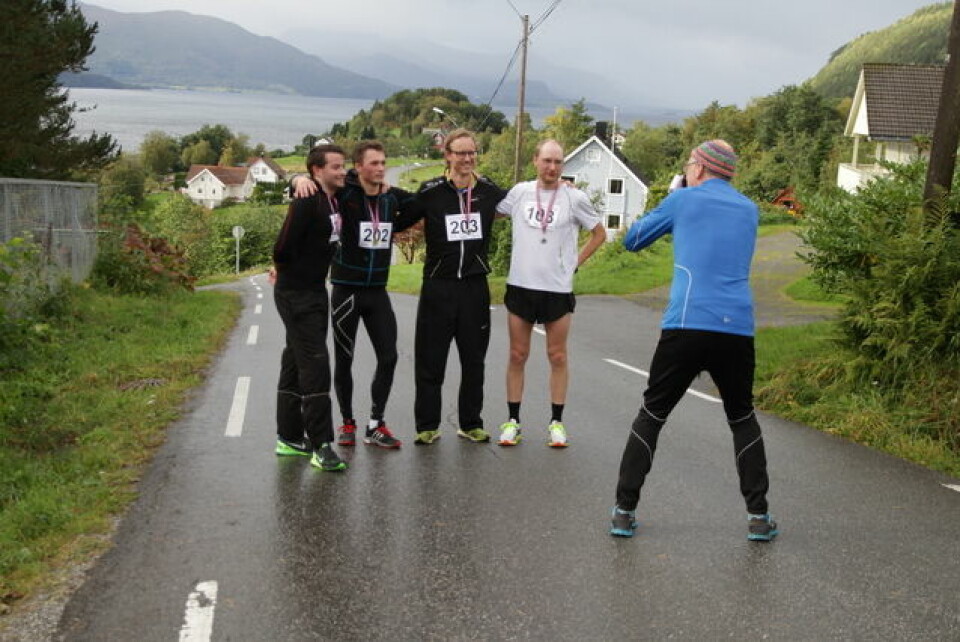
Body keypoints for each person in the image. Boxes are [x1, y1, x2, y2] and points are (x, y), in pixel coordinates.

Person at [609, 139, 778, 541]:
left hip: (686, 322)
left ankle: (623, 511)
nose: (686, 169)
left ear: (699, 169)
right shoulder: (751, 210)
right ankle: (758, 516)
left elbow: (633, 240)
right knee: (741, 417)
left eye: (688, 164)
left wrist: (672, 196)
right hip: (736, 325)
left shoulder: (683, 201)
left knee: (652, 414)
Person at [292, 141, 418, 450]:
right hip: (346, 291)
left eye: (383, 163)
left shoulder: (390, 198)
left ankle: (376, 424)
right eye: (373, 163)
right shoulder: (344, 193)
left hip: (377, 293)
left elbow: (419, 202)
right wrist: (297, 179)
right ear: (358, 167)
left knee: (388, 356)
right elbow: (304, 185)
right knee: (344, 360)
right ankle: (347, 422)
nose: (380, 168)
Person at [495, 139, 606, 447]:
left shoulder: (575, 198)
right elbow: (489, 213)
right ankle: (512, 421)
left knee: (557, 355)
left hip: (557, 289)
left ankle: (556, 422)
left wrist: (575, 263)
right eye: (547, 160)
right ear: (535, 160)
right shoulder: (519, 193)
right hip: (521, 285)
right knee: (518, 355)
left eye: (558, 162)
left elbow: (600, 234)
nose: (552, 167)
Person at [404, 129, 505, 445]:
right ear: (447, 155)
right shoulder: (431, 191)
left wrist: (563, 184)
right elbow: (398, 214)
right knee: (430, 360)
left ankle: (470, 423)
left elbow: (528, 195)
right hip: (438, 286)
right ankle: (427, 425)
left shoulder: (489, 191)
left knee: (474, 361)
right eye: (460, 153)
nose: (467, 159)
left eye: (472, 152)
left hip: (474, 288)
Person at [271, 144, 347, 472]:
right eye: (335, 167)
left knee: (295, 359)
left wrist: (297, 176)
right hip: (296, 293)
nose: (342, 171)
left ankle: (288, 438)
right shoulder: (307, 201)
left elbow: (364, 177)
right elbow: (282, 247)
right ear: (318, 170)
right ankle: (321, 445)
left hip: (315, 291)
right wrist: (288, 270)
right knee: (316, 363)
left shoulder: (334, 195)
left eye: (343, 166)